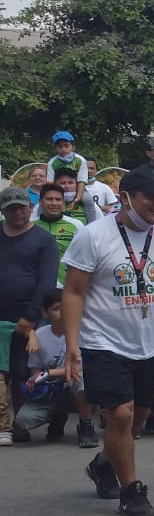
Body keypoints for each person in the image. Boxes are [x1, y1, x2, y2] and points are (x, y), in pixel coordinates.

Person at [63, 164, 154, 516]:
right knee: (120, 414)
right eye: (150, 197)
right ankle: (131, 492)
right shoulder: (93, 236)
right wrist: (72, 345)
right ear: (125, 198)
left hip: (148, 343)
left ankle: (103, 463)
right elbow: (73, 292)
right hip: (102, 341)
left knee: (136, 420)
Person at [0, 186, 60, 447]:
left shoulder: (43, 240)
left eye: (21, 207)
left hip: (28, 317)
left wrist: (31, 315)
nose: (17, 213)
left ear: (30, 207)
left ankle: (20, 425)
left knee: (22, 372)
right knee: (1, 373)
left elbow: (47, 281)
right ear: (3, 211)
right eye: (11, 208)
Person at [13, 289, 98, 448]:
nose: (63, 312)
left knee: (81, 378)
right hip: (51, 389)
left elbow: (81, 366)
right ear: (45, 313)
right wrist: (34, 380)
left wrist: (49, 373)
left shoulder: (83, 331)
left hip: (75, 385)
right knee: (23, 420)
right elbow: (35, 370)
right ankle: (57, 417)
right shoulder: (40, 335)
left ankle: (86, 426)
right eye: (56, 308)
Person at [34, 180, 85, 286]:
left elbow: (84, 257)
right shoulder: (30, 225)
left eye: (58, 199)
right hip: (35, 285)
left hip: (66, 286)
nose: (54, 203)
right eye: (49, 199)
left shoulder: (77, 225)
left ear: (63, 202)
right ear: (40, 202)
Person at [47, 130, 89, 213]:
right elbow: (50, 182)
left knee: (88, 200)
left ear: (73, 147)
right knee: (44, 202)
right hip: (59, 189)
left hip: (78, 189)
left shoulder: (80, 160)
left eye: (66, 146)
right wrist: (54, 196)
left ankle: (93, 220)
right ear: (56, 148)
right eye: (60, 147)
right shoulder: (52, 162)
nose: (63, 149)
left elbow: (82, 180)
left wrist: (78, 197)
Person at [82, 159, 120, 223]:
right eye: (86, 168)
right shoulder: (73, 188)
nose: (89, 171)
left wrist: (100, 207)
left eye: (92, 168)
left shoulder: (104, 187)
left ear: (96, 170)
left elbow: (115, 207)